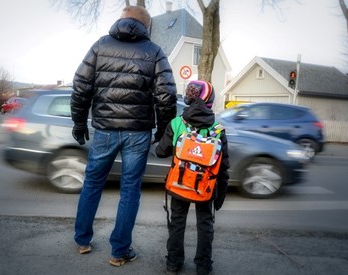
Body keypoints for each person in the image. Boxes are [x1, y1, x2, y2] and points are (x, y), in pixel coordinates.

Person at [70, 5, 177, 267]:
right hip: (137, 133)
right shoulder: (154, 52)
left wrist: (79, 121)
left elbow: (81, 85)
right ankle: (119, 251)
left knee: (93, 183)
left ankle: (83, 241)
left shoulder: (100, 46)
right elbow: (167, 96)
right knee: (130, 190)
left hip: (105, 129)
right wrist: (164, 130)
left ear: (122, 21)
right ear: (146, 26)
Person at [155, 80, 230, 275]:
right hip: (205, 188)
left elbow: (161, 152)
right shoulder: (218, 129)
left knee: (177, 221)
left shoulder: (177, 123)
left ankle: (173, 263)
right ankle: (203, 267)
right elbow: (223, 167)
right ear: (210, 101)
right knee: (205, 224)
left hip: (180, 184)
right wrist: (220, 195)